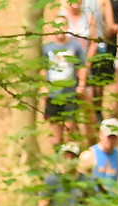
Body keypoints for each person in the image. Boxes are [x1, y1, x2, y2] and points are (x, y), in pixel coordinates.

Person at [43, 16, 88, 148]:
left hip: (70, 93)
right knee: (55, 125)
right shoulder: (47, 48)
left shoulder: (75, 46)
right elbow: (43, 69)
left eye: (62, 26)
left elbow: (82, 67)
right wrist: (43, 86)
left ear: (67, 27)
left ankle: (69, 152)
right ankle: (57, 152)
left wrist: (82, 85)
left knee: (70, 125)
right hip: (53, 94)